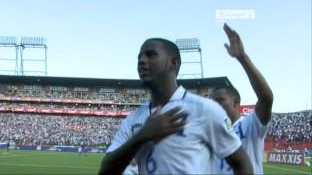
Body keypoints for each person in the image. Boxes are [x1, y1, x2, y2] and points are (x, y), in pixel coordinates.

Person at [99, 38, 253, 174]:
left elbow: (242, 164)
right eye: (139, 56)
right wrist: (142, 136)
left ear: (174, 63)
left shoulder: (205, 110)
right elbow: (105, 171)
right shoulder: (133, 119)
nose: (141, 60)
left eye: (151, 54)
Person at [212, 23, 274, 174]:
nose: (215, 105)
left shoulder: (250, 124)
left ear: (236, 102)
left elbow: (266, 98)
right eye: (212, 102)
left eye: (220, 100)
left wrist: (242, 57)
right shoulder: (215, 134)